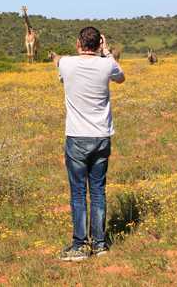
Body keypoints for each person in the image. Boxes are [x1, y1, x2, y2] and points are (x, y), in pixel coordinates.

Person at [51, 26, 125, 262]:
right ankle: (101, 244)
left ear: (78, 43)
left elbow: (59, 68)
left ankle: (80, 245)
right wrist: (106, 52)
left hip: (76, 137)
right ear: (99, 44)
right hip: (102, 136)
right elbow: (121, 78)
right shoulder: (107, 64)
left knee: (78, 193)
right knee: (98, 191)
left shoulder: (66, 63)